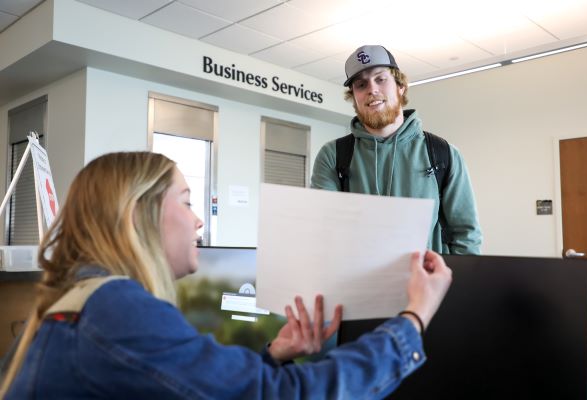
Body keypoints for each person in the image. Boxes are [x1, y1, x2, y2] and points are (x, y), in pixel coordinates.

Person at [1, 152, 452, 399]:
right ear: (139, 213)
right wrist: (413, 319)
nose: (199, 221)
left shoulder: (75, 301)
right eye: (187, 200)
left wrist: (275, 353)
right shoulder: (115, 310)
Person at [311, 44, 482, 254]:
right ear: (354, 96)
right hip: (358, 284)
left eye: (380, 79)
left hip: (426, 284)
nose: (372, 89)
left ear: (400, 86)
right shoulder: (333, 156)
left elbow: (466, 235)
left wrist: (457, 285)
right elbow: (324, 232)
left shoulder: (443, 154)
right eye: (361, 84)